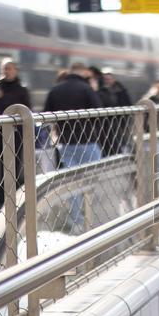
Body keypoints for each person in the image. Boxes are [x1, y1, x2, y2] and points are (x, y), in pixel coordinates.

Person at [43, 62, 103, 232]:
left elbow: (48, 114)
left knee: (73, 182)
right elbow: (98, 112)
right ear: (84, 71)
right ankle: (93, 218)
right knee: (94, 178)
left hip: (66, 142)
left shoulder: (55, 90)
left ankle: (76, 221)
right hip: (87, 141)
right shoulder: (86, 88)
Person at [0, 60, 32, 206]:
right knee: (4, 161)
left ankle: (14, 194)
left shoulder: (21, 89)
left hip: (17, 131)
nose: (6, 71)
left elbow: (28, 109)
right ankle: (3, 195)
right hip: (1, 130)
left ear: (16, 70)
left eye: (9, 68)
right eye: (4, 69)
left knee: (15, 161)